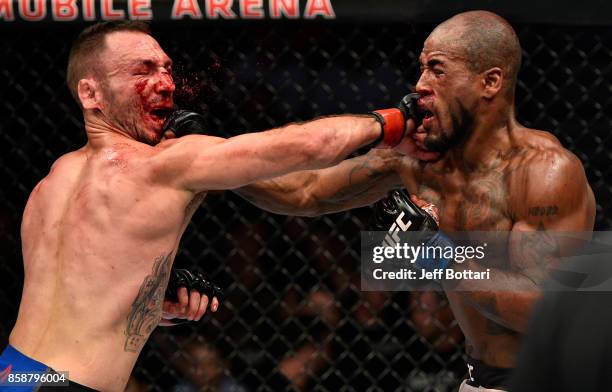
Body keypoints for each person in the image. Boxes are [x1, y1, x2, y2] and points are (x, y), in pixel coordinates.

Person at [0, 21, 413, 392]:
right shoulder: (167, 162)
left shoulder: (49, 184)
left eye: (166, 69)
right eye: (142, 71)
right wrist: (397, 121)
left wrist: (150, 300)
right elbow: (311, 150)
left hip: (16, 374)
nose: (165, 83)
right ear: (90, 93)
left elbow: (78, 297)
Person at [234, 10, 596, 391]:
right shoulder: (418, 160)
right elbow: (305, 191)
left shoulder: (544, 171)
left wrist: (434, 252)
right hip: (482, 378)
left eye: (437, 70)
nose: (420, 84)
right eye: (422, 69)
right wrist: (204, 164)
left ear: (490, 81)